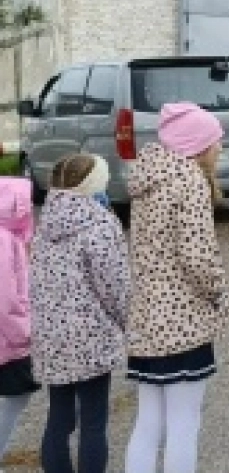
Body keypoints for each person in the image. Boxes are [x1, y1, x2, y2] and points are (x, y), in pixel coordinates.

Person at [124, 102, 229, 473]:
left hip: (147, 317)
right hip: (183, 320)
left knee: (148, 422)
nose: (220, 147)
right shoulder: (189, 181)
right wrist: (219, 292)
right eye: (216, 140)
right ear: (198, 144)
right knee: (185, 424)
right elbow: (197, 255)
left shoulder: (148, 176)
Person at [30, 154, 131, 473]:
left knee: (58, 418)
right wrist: (127, 322)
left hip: (51, 336)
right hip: (91, 338)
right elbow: (114, 285)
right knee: (93, 421)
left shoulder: (45, 222)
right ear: (93, 184)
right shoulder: (99, 224)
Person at [0, 177, 36, 465]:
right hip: (7, 339)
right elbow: (5, 299)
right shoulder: (3, 239)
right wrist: (24, 333)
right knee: (15, 397)